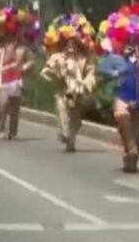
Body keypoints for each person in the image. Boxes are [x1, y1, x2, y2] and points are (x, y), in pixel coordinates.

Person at [97, 3, 139, 173]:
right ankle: (130, 147)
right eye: (128, 40)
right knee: (121, 116)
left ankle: (131, 159)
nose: (132, 43)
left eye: (135, 40)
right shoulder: (115, 58)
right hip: (122, 94)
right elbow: (101, 68)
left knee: (137, 133)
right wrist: (112, 73)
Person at [40, 13, 97, 152]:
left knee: (76, 120)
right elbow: (48, 70)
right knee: (62, 111)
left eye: (74, 42)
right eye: (68, 42)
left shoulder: (85, 59)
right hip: (63, 92)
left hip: (79, 93)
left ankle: (71, 141)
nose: (71, 45)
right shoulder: (57, 57)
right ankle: (64, 133)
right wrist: (57, 74)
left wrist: (84, 85)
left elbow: (91, 75)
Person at [0, 8, 37, 140]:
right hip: (0, 81)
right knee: (3, 104)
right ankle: (2, 127)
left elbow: (32, 61)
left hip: (16, 81)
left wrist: (25, 67)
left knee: (14, 106)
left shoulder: (23, 49)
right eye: (8, 35)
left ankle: (12, 130)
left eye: (13, 35)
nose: (11, 38)